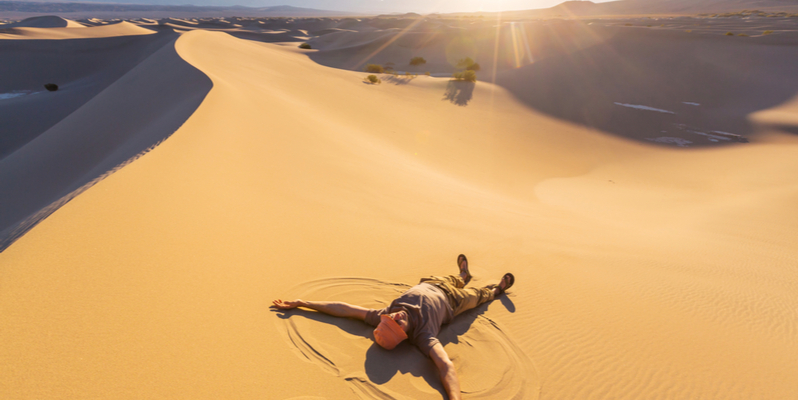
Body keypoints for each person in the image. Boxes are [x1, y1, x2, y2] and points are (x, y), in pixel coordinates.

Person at [271, 254, 515, 400]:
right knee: (479, 296)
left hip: (433, 283)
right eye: (397, 322)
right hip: (454, 301)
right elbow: (445, 365)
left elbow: (345, 309)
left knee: (455, 279)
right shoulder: (423, 335)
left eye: (391, 318)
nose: (396, 315)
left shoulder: (383, 316)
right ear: (403, 333)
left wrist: (302, 303)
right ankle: (496, 289)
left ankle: (462, 275)